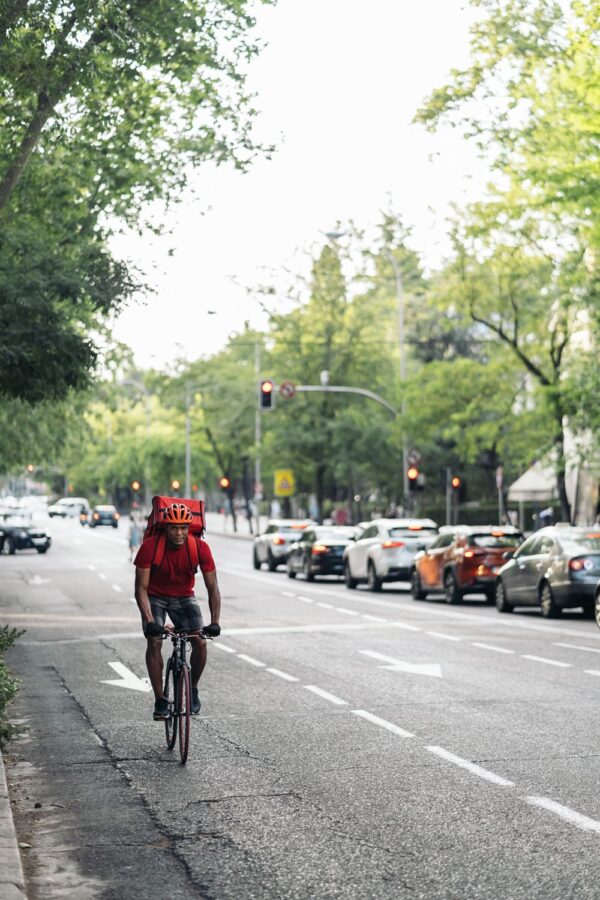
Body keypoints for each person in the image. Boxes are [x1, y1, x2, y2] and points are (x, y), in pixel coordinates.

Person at [133, 503, 221, 720]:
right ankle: (160, 699)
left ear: (189, 527)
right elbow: (140, 590)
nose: (179, 533)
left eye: (183, 527)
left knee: (199, 641)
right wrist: (149, 620)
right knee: (154, 641)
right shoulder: (150, 548)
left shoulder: (200, 548)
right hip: (155, 596)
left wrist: (215, 621)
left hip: (184, 597)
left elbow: (213, 588)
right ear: (166, 528)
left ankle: (193, 688)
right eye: (174, 528)